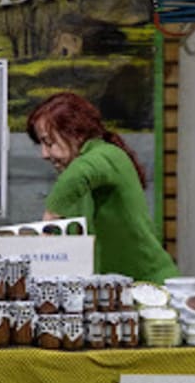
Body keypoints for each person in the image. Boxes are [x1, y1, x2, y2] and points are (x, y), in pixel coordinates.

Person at [26, 91, 179, 284]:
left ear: (76, 133)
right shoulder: (77, 181)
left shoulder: (107, 155)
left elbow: (81, 173)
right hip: (113, 294)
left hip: (151, 285)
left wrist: (51, 213)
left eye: (49, 142)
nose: (44, 154)